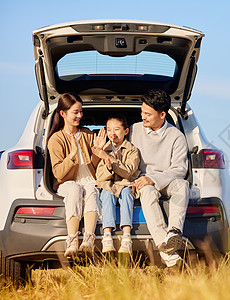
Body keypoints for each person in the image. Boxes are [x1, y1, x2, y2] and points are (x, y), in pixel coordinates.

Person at [129, 89, 189, 267]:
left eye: (147, 114)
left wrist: (154, 179)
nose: (143, 117)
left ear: (162, 114)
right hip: (142, 181)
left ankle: (173, 232)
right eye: (142, 112)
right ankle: (169, 255)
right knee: (146, 191)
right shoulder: (134, 130)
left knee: (183, 185)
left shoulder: (176, 136)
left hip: (166, 181)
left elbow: (179, 169)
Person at [47, 92, 106, 257]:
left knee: (91, 189)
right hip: (66, 183)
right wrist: (72, 155)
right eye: (75, 112)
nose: (80, 115)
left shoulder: (87, 134)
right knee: (74, 188)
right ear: (63, 114)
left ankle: (88, 238)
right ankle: (72, 239)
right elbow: (58, 172)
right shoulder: (56, 139)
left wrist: (98, 151)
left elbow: (94, 167)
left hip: (89, 180)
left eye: (81, 111)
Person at [94, 115, 140, 254]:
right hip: (109, 185)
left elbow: (128, 172)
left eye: (116, 129)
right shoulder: (103, 149)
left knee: (127, 193)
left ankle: (127, 236)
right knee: (107, 194)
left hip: (126, 184)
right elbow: (99, 176)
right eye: (109, 130)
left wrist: (109, 159)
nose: (112, 133)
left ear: (126, 131)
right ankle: (107, 235)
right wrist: (108, 166)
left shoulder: (132, 150)